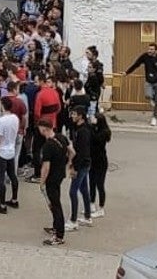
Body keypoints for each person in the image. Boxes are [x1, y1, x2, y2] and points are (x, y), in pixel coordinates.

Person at [37, 119, 69, 247]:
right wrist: (69, 163)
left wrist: (42, 181)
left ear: (44, 129)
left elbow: (46, 166)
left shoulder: (48, 146)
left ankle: (59, 235)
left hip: (51, 179)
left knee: (55, 205)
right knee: (55, 201)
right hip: (60, 175)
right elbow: (71, 151)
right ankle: (56, 227)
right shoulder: (61, 137)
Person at [123, 42, 157, 126]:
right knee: (147, 95)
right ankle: (151, 99)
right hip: (149, 82)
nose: (149, 51)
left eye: (152, 49)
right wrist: (127, 72)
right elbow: (136, 65)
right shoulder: (145, 56)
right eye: (149, 49)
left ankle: (154, 118)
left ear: (155, 50)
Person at [0, 96, 21, 214]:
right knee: (12, 175)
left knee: (0, 178)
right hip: (11, 150)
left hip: (1, 151)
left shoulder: (1, 120)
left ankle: (2, 204)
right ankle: (14, 199)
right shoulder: (15, 118)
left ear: (2, 106)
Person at [66, 105, 93, 231]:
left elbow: (81, 152)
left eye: (74, 114)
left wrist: (74, 168)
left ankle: (73, 220)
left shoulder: (83, 131)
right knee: (84, 189)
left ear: (80, 116)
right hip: (85, 163)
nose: (72, 116)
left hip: (81, 165)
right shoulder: (79, 128)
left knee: (73, 191)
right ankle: (87, 216)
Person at [89, 110, 111, 219]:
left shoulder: (104, 132)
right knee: (91, 182)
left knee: (100, 184)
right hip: (93, 160)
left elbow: (96, 140)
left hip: (101, 161)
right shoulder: (95, 130)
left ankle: (101, 208)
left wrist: (92, 127)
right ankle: (91, 203)